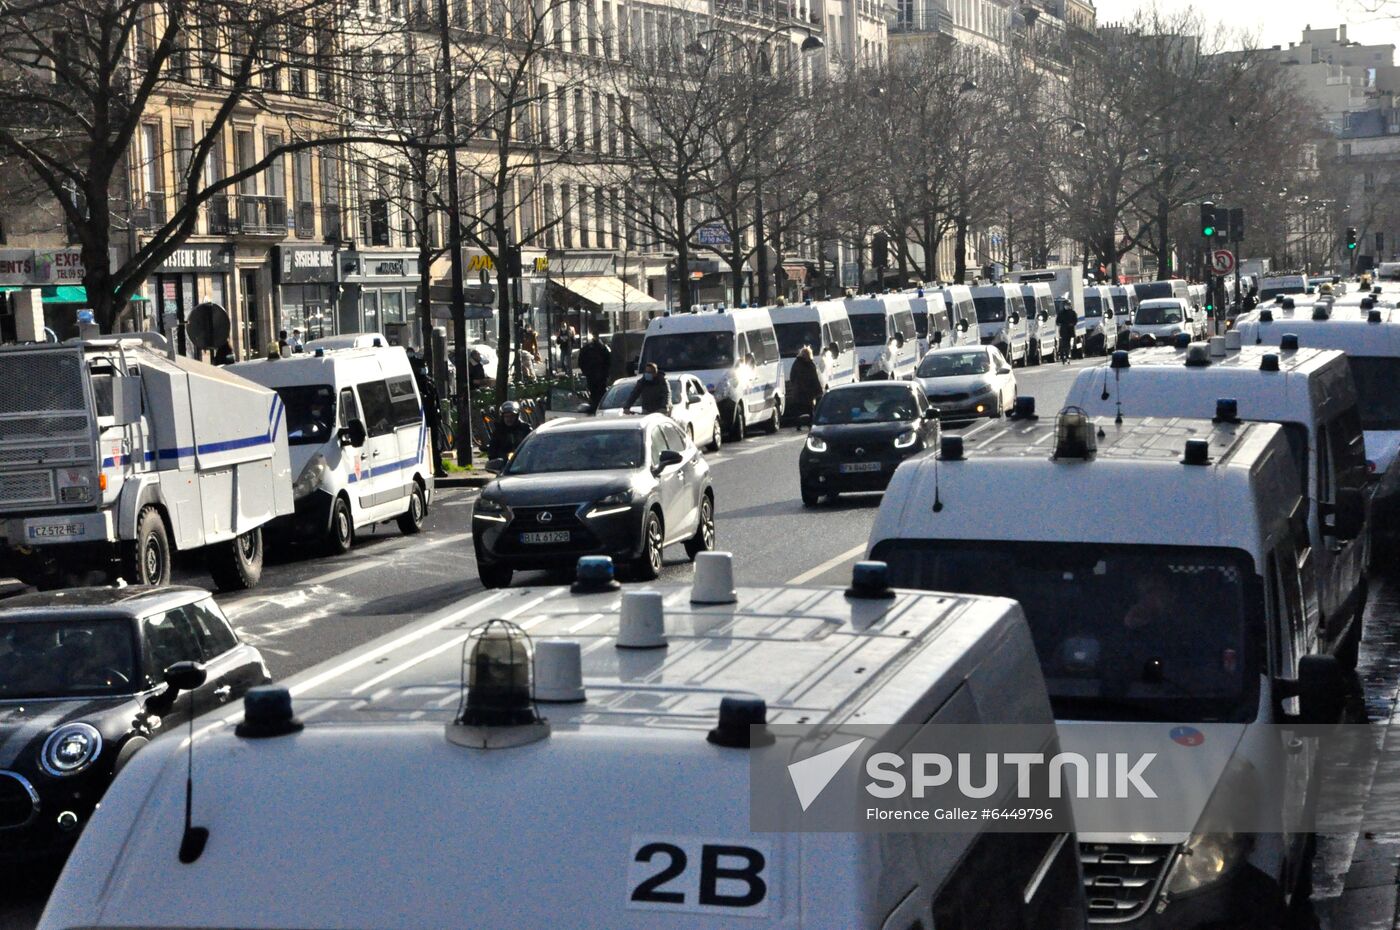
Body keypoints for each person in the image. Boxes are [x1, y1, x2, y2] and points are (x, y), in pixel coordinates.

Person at [409, 352, 447, 477]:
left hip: (432, 418)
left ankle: (438, 467)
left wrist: (439, 415)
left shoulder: (429, 381)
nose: (424, 370)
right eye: (422, 367)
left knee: (435, 445)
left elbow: (436, 399)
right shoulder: (413, 384)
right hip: (420, 420)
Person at [787, 345, 823, 430]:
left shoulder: (797, 363)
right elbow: (815, 378)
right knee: (809, 408)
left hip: (799, 391)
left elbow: (792, 376)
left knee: (801, 409)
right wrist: (818, 390)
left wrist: (795, 385)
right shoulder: (810, 364)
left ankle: (800, 424)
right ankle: (808, 423)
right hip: (807, 392)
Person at [578, 335, 612, 411]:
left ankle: (594, 406)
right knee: (600, 392)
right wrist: (606, 373)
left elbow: (580, 362)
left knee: (594, 392)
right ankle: (599, 406)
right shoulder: (603, 348)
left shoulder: (586, 349)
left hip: (592, 376)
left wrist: (586, 372)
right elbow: (609, 361)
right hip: (600, 376)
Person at [1055, 300, 1078, 364]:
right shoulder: (1061, 313)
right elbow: (1057, 321)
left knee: (1068, 345)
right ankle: (1063, 356)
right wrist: (1060, 324)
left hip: (1070, 331)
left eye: (1068, 304)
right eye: (1066, 305)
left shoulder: (1073, 312)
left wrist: (1072, 324)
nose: (1067, 306)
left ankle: (1067, 356)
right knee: (1063, 344)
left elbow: (1075, 321)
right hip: (1063, 331)